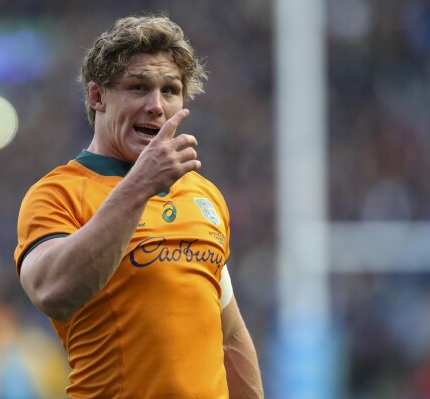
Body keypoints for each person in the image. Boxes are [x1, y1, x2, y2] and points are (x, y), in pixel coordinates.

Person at [14, 14, 264, 399]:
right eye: (138, 87)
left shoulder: (203, 194)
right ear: (97, 97)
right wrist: (140, 186)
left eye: (170, 90)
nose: (156, 106)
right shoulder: (57, 193)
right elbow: (53, 293)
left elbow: (229, 334)